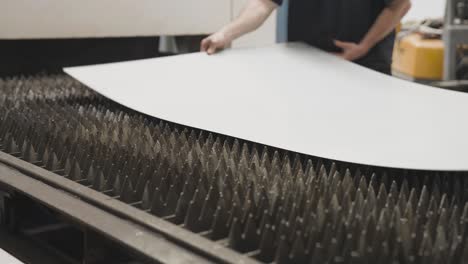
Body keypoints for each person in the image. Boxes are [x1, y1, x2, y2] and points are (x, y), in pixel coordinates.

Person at [201, 0, 411, 74]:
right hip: (308, 62)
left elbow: (399, 6)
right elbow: (263, 3)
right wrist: (225, 34)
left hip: (363, 65)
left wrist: (364, 46)